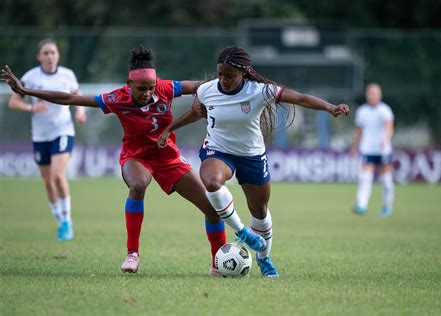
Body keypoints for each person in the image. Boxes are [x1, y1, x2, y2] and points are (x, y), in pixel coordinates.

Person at [1, 46, 259, 275]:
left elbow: (202, 87)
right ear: (129, 84)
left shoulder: (164, 88)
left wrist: (225, 90)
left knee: (212, 209)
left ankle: (217, 263)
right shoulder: (117, 98)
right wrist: (26, 90)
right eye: (141, 89)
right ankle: (132, 253)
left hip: (167, 157)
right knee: (138, 184)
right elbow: (69, 98)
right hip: (136, 157)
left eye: (151, 87)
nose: (147, 93)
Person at [157, 45, 350, 278]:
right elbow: (197, 111)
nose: (224, 80)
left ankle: (264, 258)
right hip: (218, 150)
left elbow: (299, 98)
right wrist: (169, 129)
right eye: (220, 74)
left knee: (259, 211)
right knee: (211, 181)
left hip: (252, 156)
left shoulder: (260, 91)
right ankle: (241, 232)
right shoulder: (207, 90)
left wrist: (330, 108)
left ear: (244, 74)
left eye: (230, 76)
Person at [7, 38, 87, 241]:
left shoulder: (67, 75)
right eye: (46, 53)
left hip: (63, 130)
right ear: (39, 57)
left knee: (58, 175)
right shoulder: (31, 77)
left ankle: (67, 221)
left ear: (58, 55)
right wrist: (31, 107)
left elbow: (77, 95)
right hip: (40, 135)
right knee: (48, 181)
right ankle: (60, 221)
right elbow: (13, 101)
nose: (50, 56)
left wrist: (79, 112)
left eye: (53, 52)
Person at [351, 83, 395, 217]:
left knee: (386, 180)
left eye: (375, 93)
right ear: (367, 95)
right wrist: (354, 147)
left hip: (383, 150)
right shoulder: (362, 111)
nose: (372, 95)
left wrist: (385, 139)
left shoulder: (385, 110)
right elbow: (358, 131)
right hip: (367, 149)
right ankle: (361, 205)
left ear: (380, 95)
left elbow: (389, 128)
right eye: (370, 93)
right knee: (365, 178)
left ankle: (387, 206)